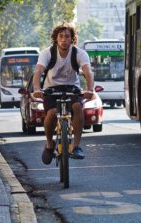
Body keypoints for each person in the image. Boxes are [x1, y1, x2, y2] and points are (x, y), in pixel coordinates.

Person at [32, 21, 94, 165]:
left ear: (72, 38)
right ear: (56, 38)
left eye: (67, 36)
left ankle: (77, 146)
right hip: (51, 89)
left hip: (72, 89)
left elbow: (88, 72)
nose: (64, 40)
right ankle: (49, 144)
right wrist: (36, 89)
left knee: (78, 107)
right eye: (61, 36)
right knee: (52, 113)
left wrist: (90, 89)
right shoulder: (47, 53)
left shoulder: (79, 53)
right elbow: (38, 72)